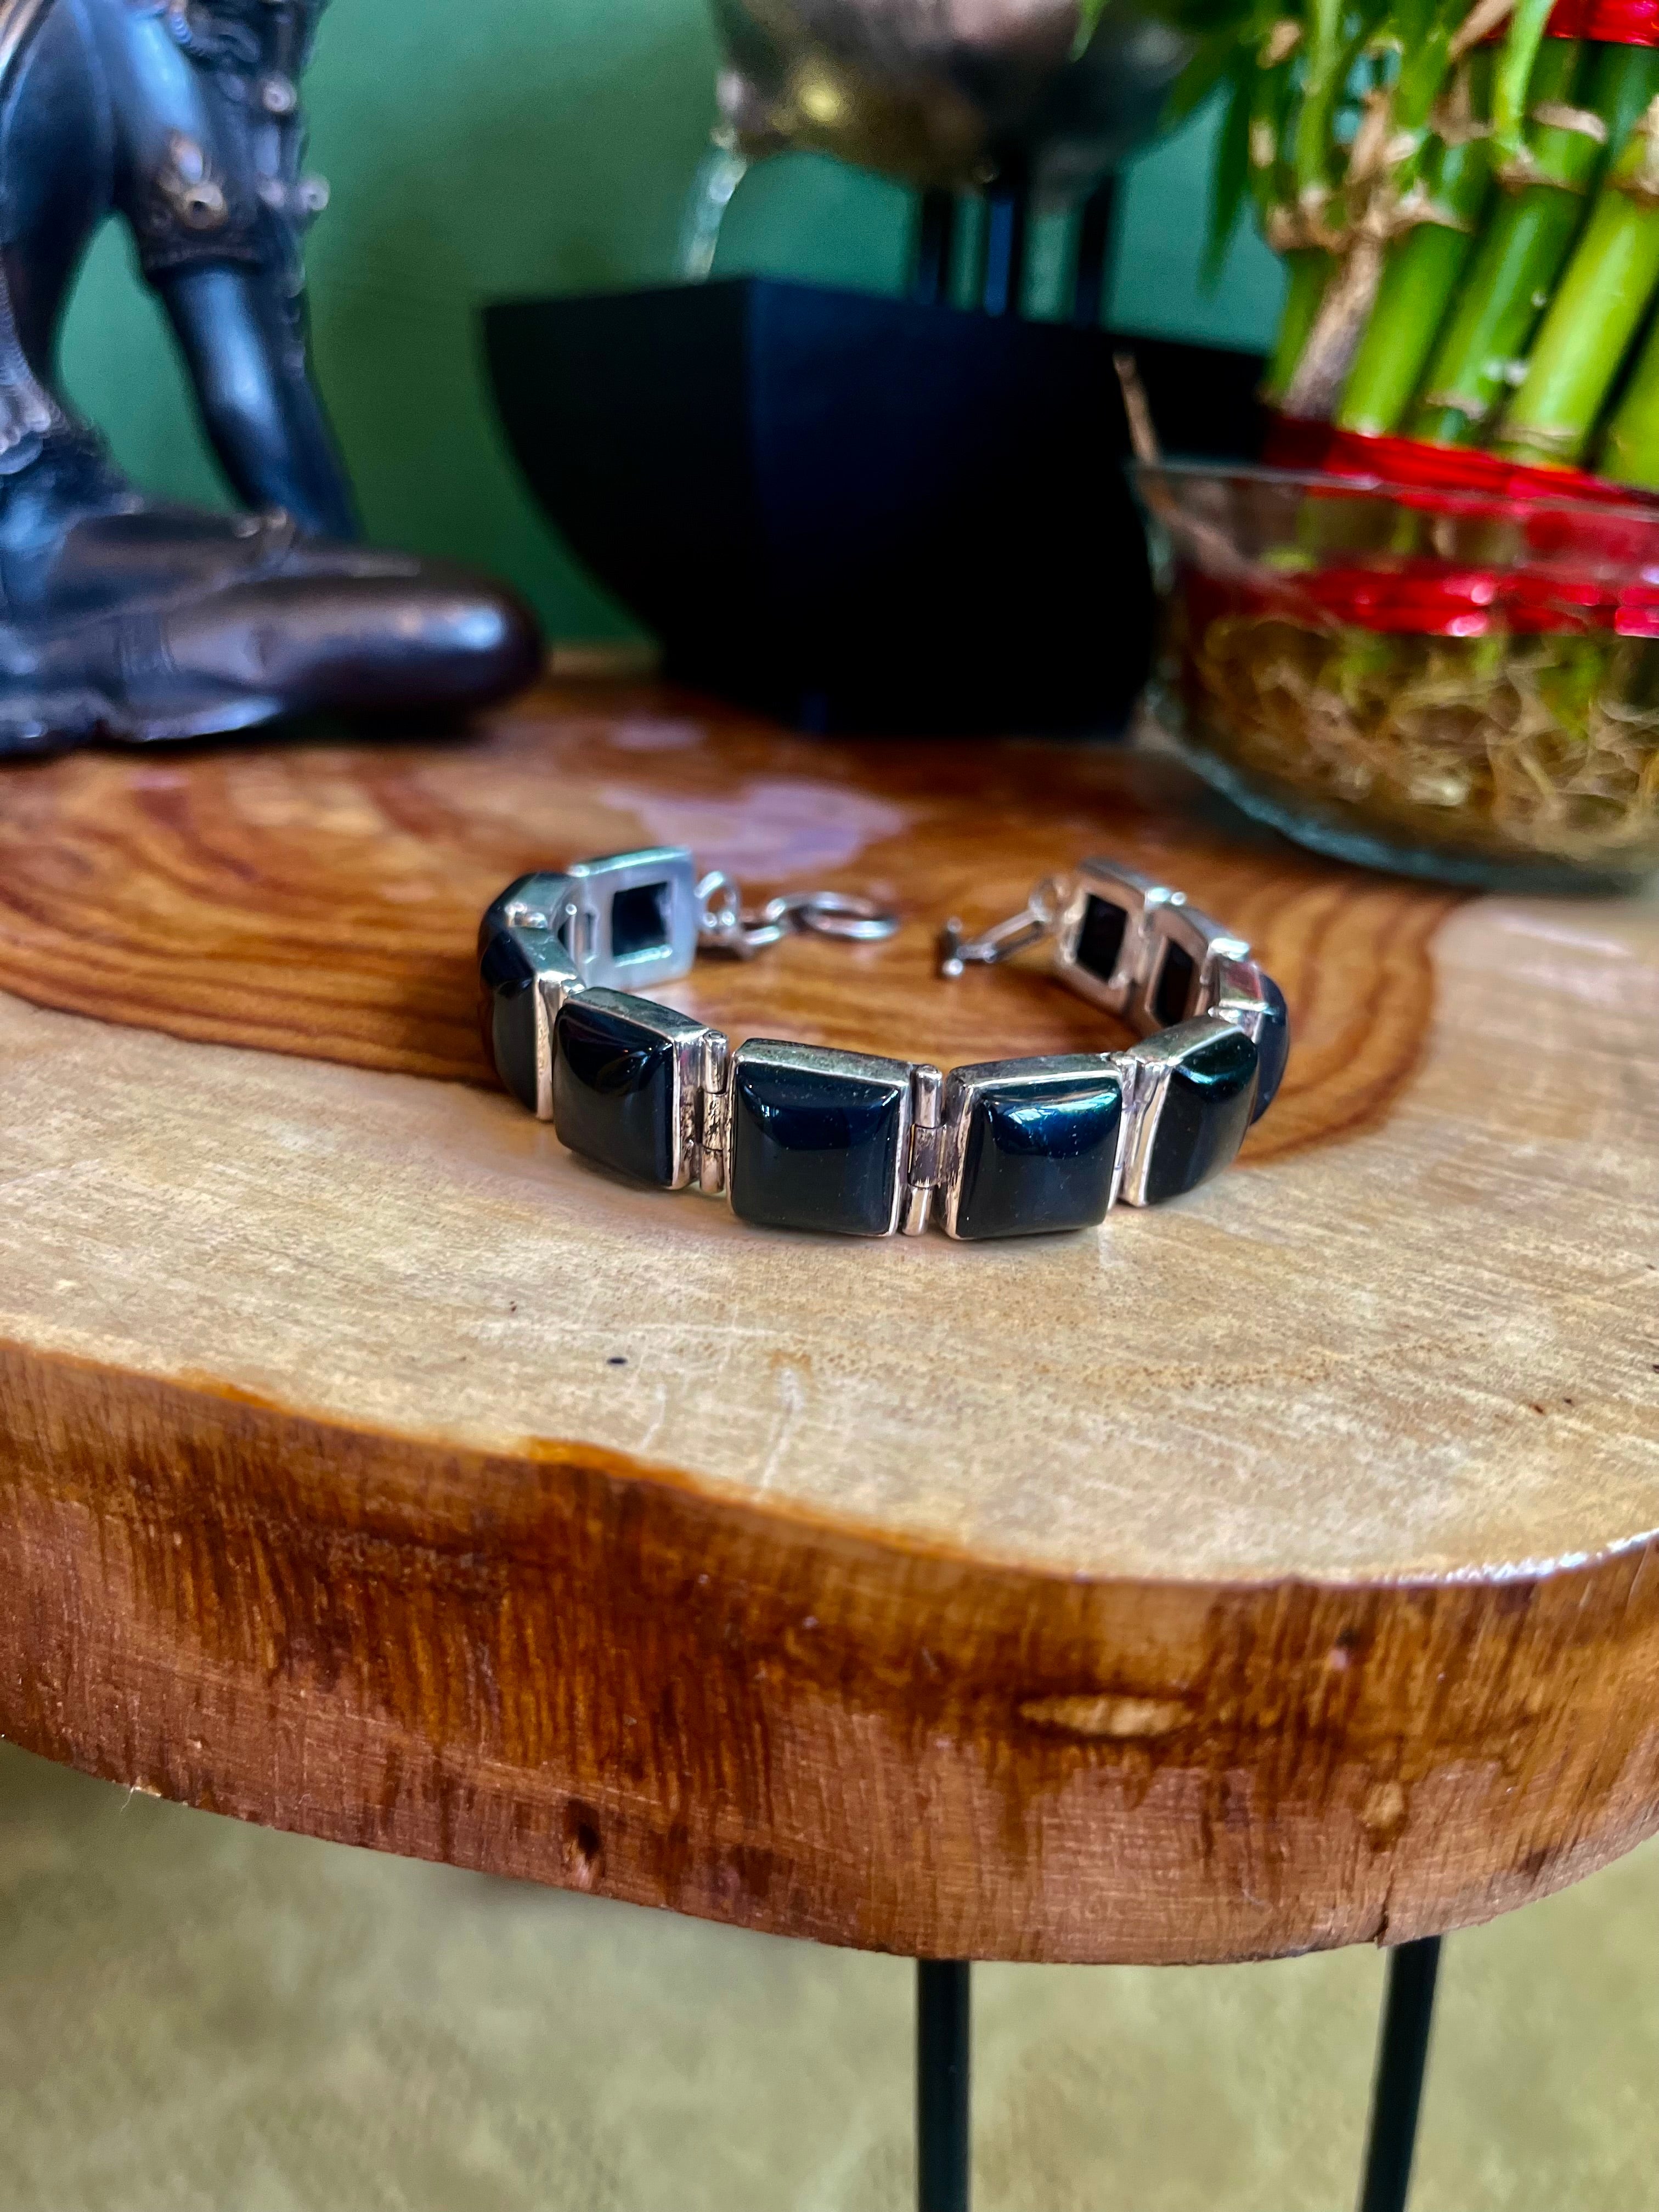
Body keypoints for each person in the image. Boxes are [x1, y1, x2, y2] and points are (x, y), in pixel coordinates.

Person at [0, 0, 538, 752]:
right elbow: (246, 398)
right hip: (28, 544)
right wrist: (321, 558)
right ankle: (42, 666)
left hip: (38, 530)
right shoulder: (134, 22)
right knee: (474, 623)